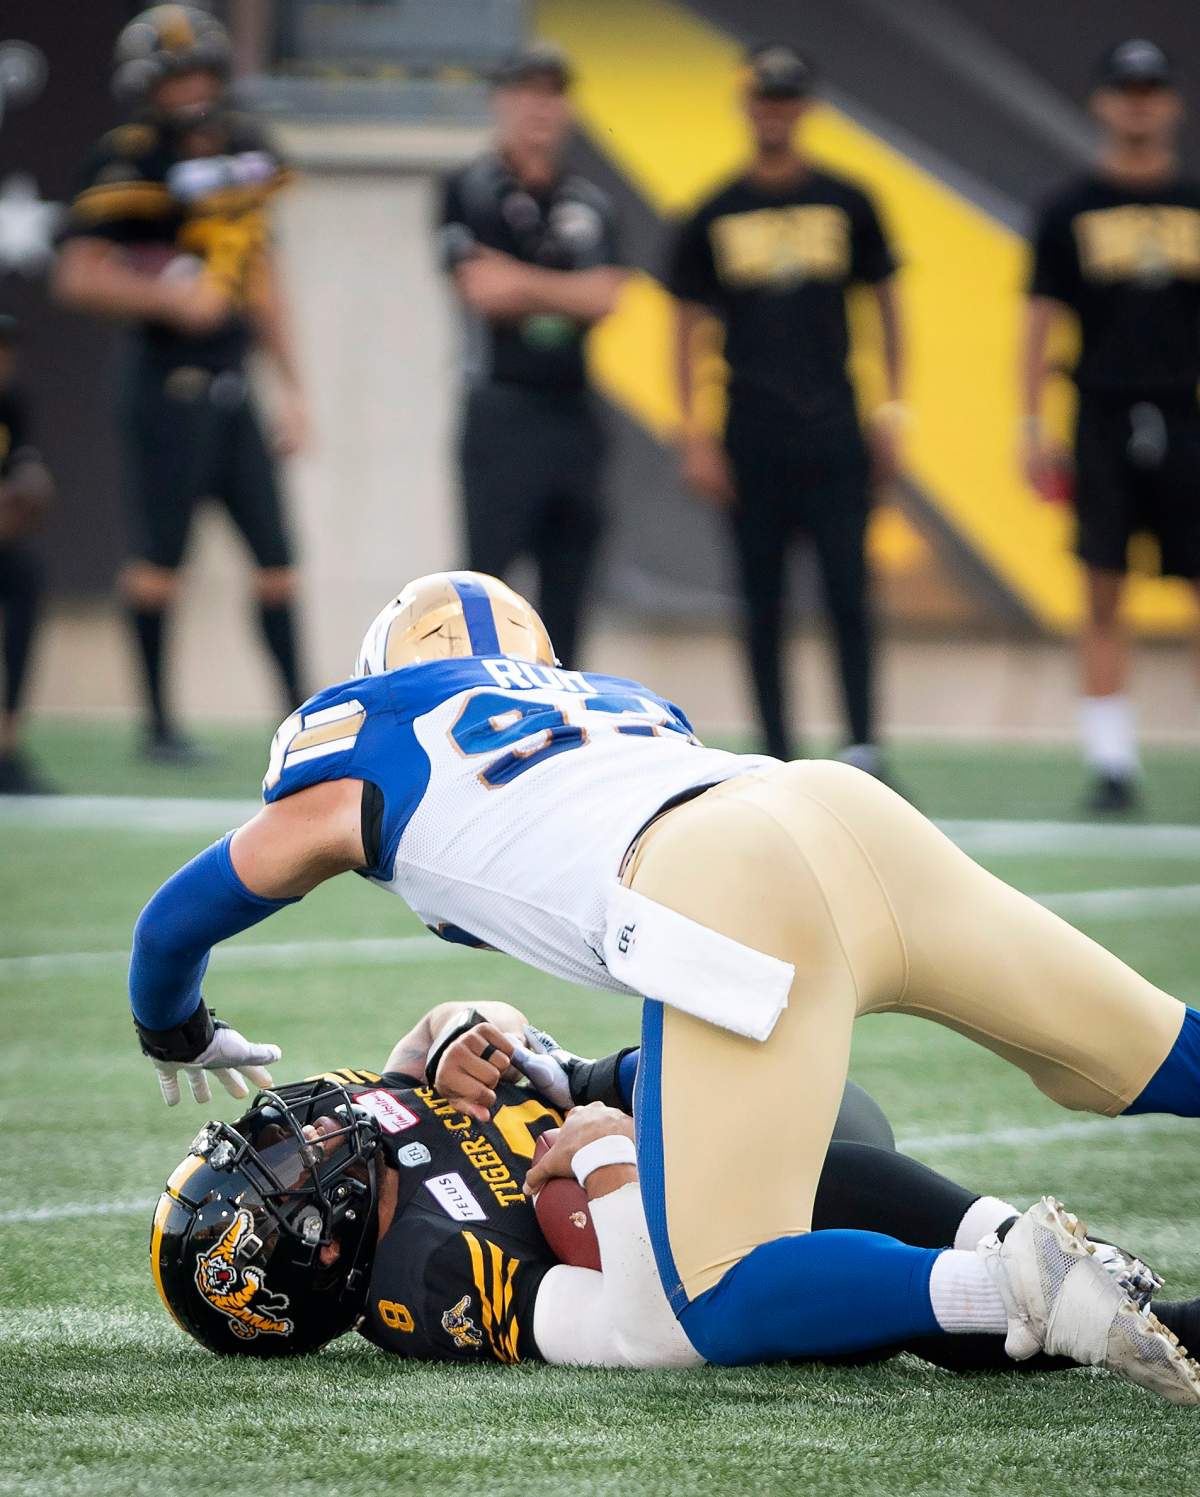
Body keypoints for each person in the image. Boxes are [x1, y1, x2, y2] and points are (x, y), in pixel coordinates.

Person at [127, 569, 1200, 1400]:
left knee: (725, 1293)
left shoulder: (373, 736)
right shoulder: (616, 705)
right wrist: (527, 1061)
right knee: (1137, 1055)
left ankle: (1014, 1282)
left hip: (710, 884)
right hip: (830, 804)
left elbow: (178, 917)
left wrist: (171, 1025)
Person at [150, 1002, 1197, 1377]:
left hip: (698, 1131)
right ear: (314, 1249)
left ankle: (1038, 1262)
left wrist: (472, 1036)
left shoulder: (368, 1120)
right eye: (279, 1172)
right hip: (718, 1239)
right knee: (815, 1195)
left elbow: (465, 1027)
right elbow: (645, 1330)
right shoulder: (427, 1280)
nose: (298, 1133)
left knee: (694, 1060)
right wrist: (612, 1159)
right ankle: (1038, 1288)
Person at [54, 5, 309, 763]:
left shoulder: (245, 149)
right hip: (163, 381)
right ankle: (159, 725)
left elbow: (260, 272)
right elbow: (77, 275)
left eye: (202, 73)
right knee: (162, 560)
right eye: (178, 78)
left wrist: (293, 385)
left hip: (235, 381)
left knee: (277, 559)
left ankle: (301, 721)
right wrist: (169, 296)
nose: (194, 91)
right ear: (148, 88)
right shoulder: (125, 159)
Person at [667, 45, 905, 771]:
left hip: (835, 425)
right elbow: (685, 326)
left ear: (804, 107)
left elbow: (887, 306)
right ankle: (774, 752)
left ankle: (863, 745)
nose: (774, 110)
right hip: (751, 432)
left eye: (786, 98)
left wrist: (894, 409)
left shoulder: (848, 201)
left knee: (849, 594)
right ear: (747, 106)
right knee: (760, 600)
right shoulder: (714, 211)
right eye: (763, 98)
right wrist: (694, 435)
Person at [1022, 39, 1200, 813]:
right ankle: (1112, 761)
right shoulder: (1069, 209)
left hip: (1187, 412)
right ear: (1102, 101)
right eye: (1126, 88)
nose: (1138, 102)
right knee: (1101, 589)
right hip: (1098, 412)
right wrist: (1030, 423)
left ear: (1172, 104)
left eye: (1151, 89)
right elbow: (1038, 321)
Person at [440, 43, 626, 671]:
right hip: (501, 410)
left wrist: (524, 282)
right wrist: (567, 292)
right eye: (526, 92)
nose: (540, 107)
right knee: (488, 594)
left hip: (573, 412)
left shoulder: (591, 201)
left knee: (569, 590)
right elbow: (481, 291)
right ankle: (483, 727)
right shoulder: (468, 189)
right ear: (501, 102)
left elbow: (609, 296)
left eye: (553, 93)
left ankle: (569, 736)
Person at [0, 314, 55, 794]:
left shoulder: (11, 402)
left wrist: (28, 489)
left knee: (26, 578)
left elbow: (26, 474)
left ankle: (7, 740)